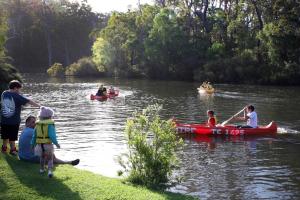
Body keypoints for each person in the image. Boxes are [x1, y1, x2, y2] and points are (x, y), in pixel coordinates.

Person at [1, 80, 40, 155]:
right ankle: (12, 150)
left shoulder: (4, 93)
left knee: (5, 135)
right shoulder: (17, 96)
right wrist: (40, 106)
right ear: (15, 88)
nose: (19, 91)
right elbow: (29, 101)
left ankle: (4, 147)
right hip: (13, 121)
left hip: (4, 120)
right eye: (19, 89)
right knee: (12, 136)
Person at [31, 106, 60, 178]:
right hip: (48, 145)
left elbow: (34, 136)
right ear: (50, 116)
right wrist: (56, 144)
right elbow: (52, 136)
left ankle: (41, 169)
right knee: (50, 158)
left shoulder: (37, 125)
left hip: (39, 145)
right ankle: (50, 171)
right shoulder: (50, 125)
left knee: (42, 157)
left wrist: (32, 144)